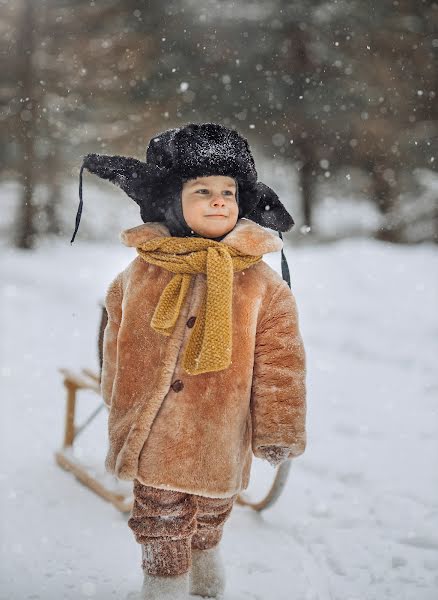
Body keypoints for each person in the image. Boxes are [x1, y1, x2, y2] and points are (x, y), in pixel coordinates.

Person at [71, 123, 307, 600]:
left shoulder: (263, 286)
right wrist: (119, 406)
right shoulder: (139, 274)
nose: (219, 200)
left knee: (212, 509)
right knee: (158, 516)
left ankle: (206, 562)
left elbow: (281, 365)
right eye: (202, 191)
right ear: (170, 204)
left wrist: (279, 428)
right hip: (155, 428)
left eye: (228, 191)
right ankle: (163, 585)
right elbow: (115, 345)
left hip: (221, 427)